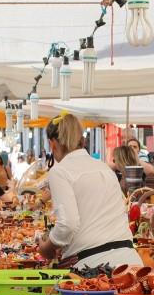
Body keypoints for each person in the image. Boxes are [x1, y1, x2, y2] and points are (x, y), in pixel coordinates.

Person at [38, 114, 142, 270]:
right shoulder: (104, 168)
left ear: (52, 144)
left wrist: (46, 247)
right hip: (131, 261)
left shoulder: (60, 171)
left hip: (95, 268)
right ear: (83, 140)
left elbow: (67, 224)